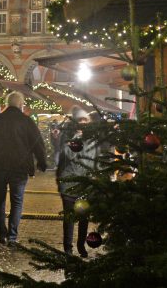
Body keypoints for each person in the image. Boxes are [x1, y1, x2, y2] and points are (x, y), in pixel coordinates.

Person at [0, 91, 47, 246]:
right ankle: (12, 236)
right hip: (20, 168)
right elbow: (38, 143)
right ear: (21, 104)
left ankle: (1, 235)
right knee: (17, 201)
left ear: (7, 104)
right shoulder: (26, 121)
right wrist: (41, 163)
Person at [56, 106, 99, 258]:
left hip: (86, 185)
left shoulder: (94, 141)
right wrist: (76, 138)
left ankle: (81, 245)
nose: (83, 122)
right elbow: (67, 156)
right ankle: (68, 247)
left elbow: (96, 162)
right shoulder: (70, 138)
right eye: (80, 120)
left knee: (83, 217)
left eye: (85, 120)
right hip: (69, 184)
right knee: (69, 218)